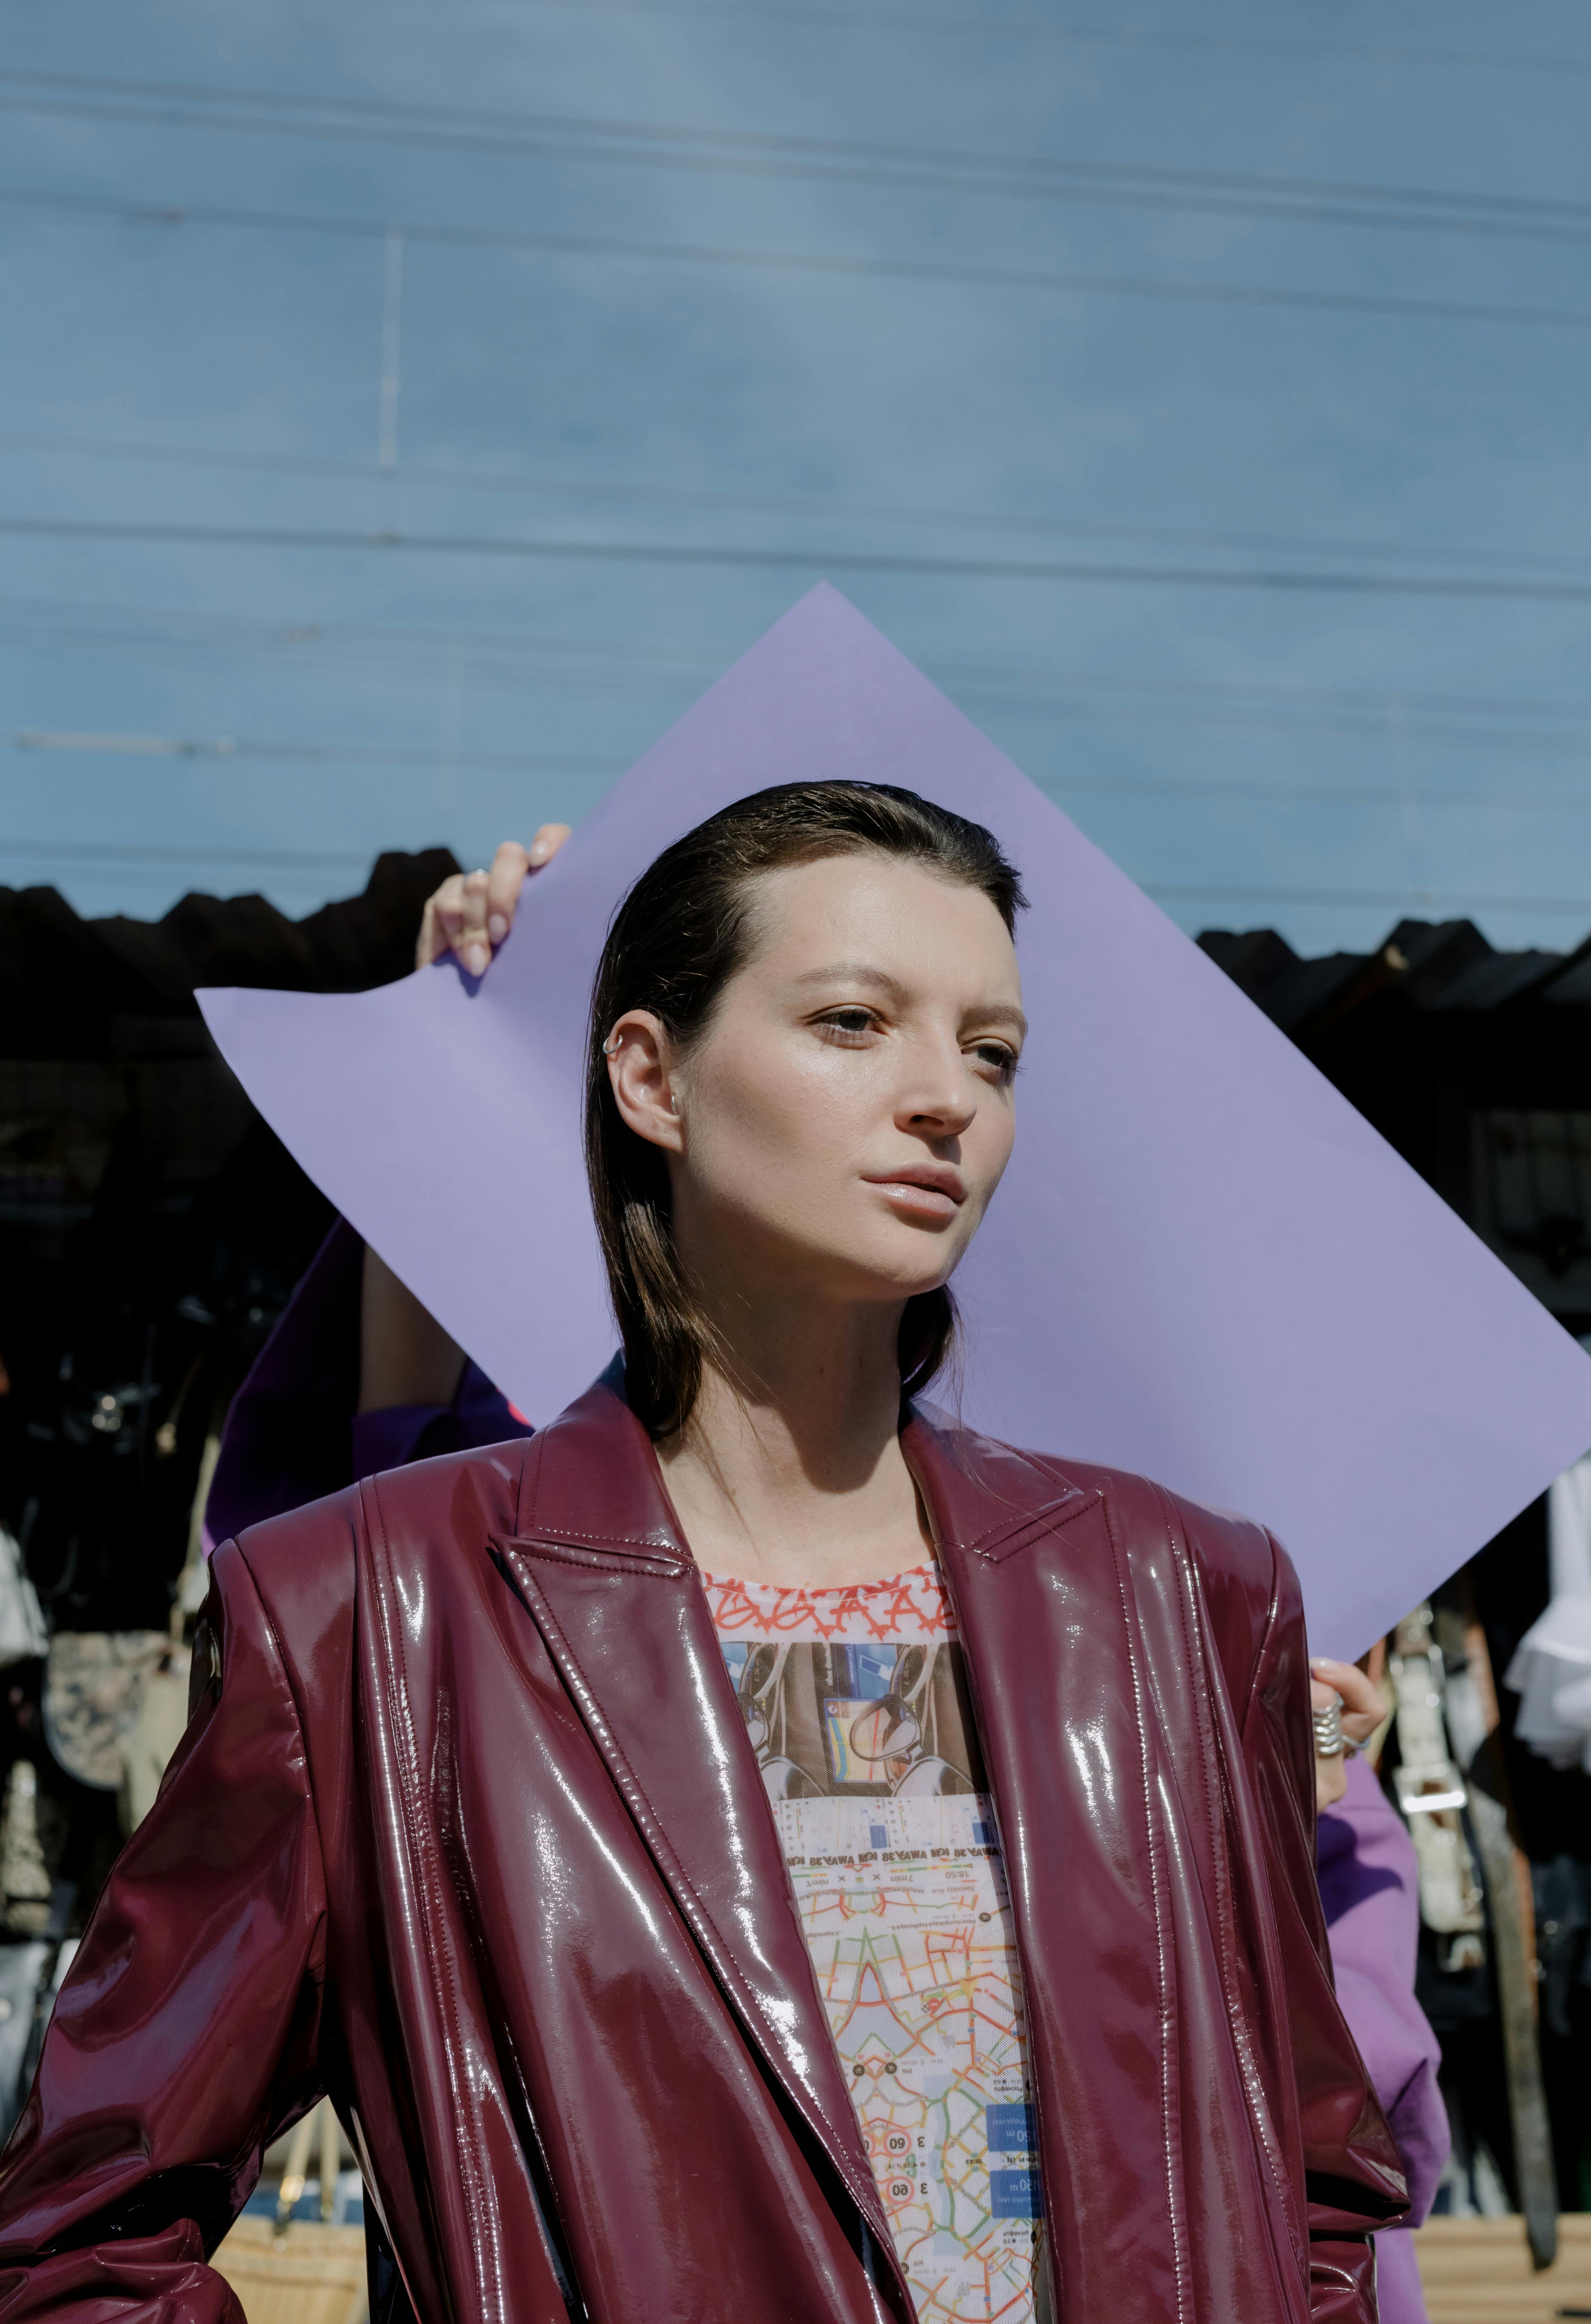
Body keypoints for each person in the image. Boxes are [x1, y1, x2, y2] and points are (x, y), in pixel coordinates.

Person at [0, 784, 1406, 2324]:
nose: (946, 1095)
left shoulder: (1179, 1596)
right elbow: (78, 2238)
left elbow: (1317, 2182)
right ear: (651, 1077)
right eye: (855, 1022)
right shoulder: (374, 1616)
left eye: (990, 1051)